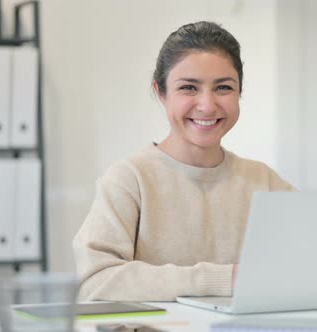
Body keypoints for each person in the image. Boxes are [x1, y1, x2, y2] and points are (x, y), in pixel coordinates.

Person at [72, 21, 294, 302]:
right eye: (189, 88)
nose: (207, 105)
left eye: (223, 88)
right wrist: (224, 279)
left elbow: (315, 263)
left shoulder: (265, 182)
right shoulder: (129, 179)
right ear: (161, 92)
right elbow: (94, 282)